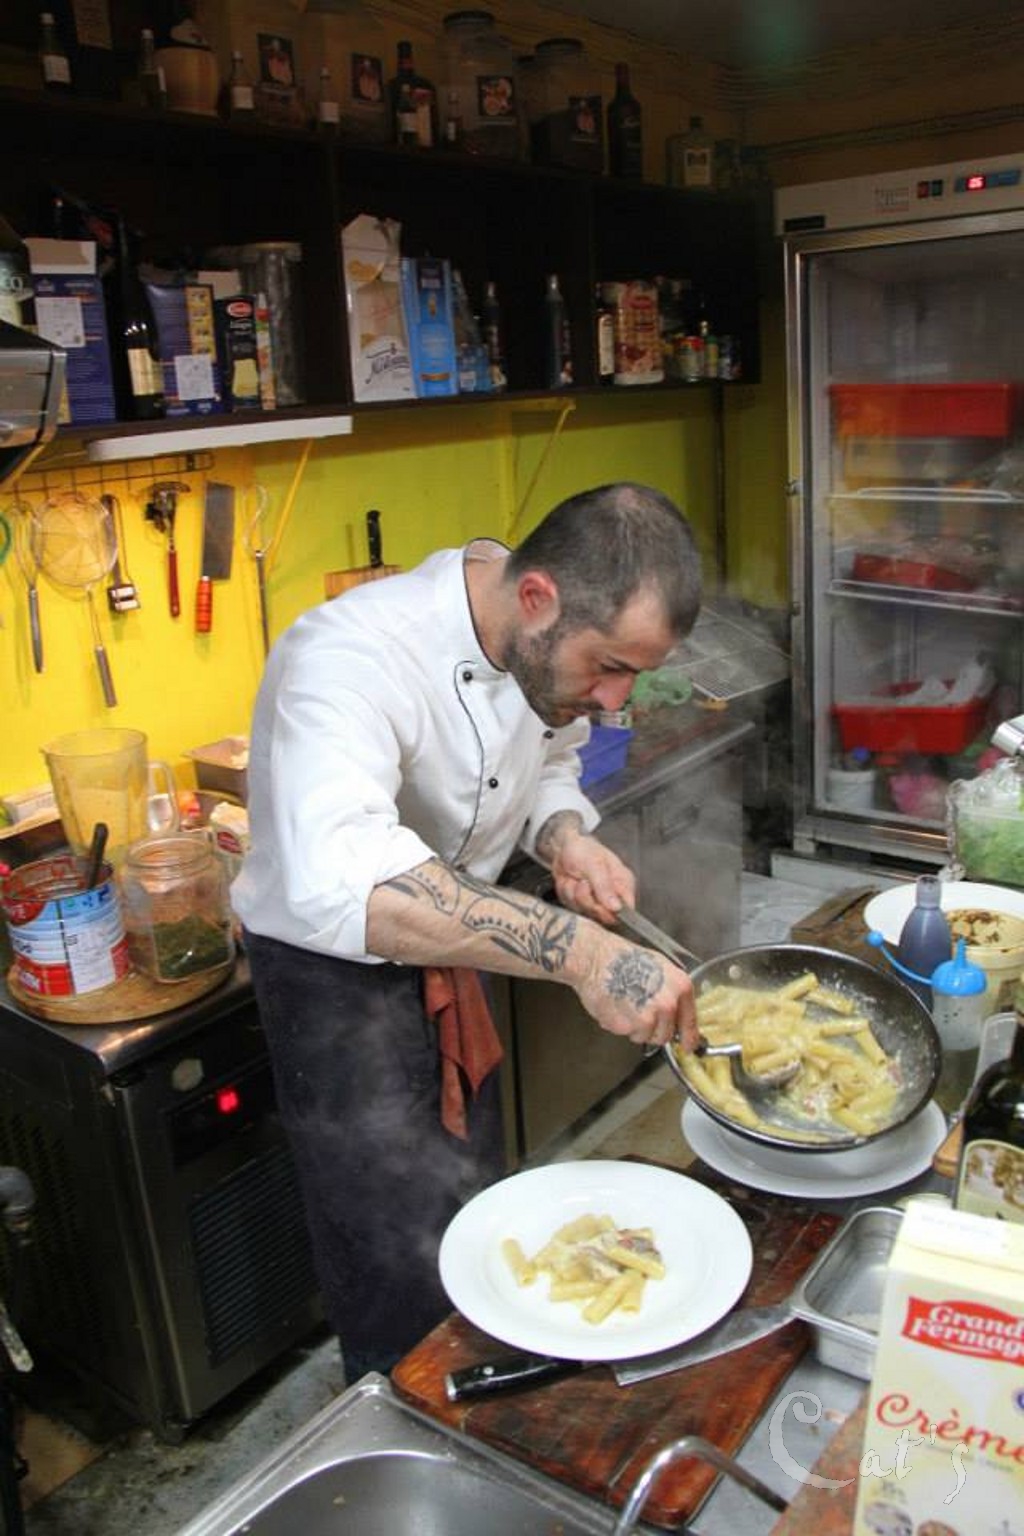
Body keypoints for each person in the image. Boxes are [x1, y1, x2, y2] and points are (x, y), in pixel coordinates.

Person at [233, 481, 703, 1380]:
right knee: (387, 1237)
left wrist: (563, 837)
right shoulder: (346, 657)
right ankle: (401, 1407)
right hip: (337, 982)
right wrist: (581, 952)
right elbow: (353, 885)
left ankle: (482, 1380)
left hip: (464, 950)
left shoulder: (533, 645)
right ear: (538, 598)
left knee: (471, 1193)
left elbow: (552, 756)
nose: (616, 699)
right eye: (609, 666)